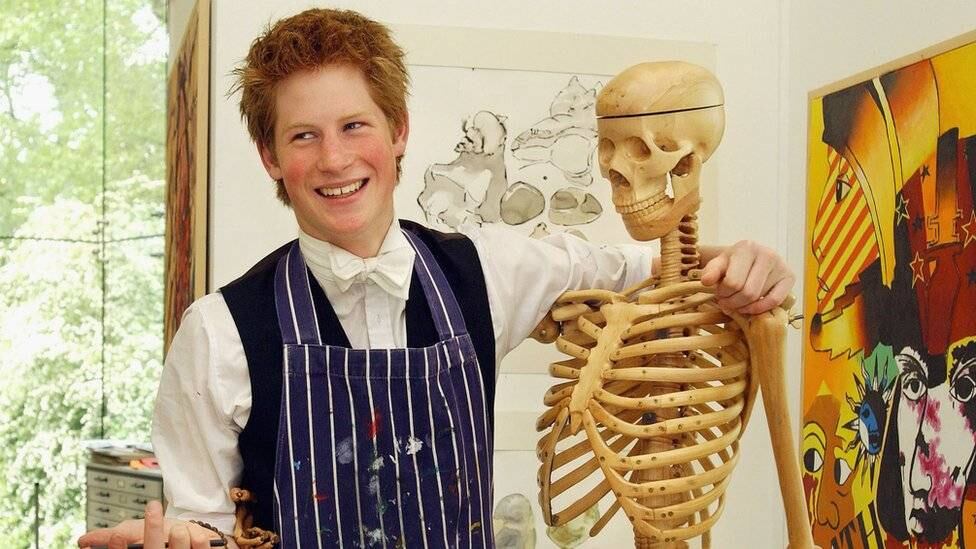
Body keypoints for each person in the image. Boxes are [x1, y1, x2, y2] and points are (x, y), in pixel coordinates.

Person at [78, 7, 794, 549]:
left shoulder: (488, 269)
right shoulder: (218, 333)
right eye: (303, 136)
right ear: (270, 157)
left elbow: (654, 269)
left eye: (355, 126)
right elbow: (204, 526)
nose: (334, 159)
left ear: (398, 131)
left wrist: (746, 264)